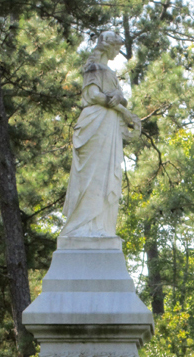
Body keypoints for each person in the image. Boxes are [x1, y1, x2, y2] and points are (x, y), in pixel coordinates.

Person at [60, 31, 141, 238]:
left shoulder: (110, 72)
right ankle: (81, 227)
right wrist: (122, 110)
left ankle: (101, 227)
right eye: (116, 47)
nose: (117, 52)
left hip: (108, 126)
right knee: (90, 176)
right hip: (94, 124)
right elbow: (94, 95)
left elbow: (119, 98)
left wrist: (119, 97)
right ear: (108, 47)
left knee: (105, 175)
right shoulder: (93, 67)